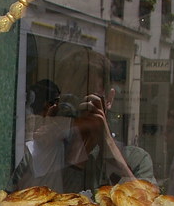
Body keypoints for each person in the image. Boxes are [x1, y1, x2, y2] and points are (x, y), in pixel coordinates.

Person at [58, 49, 155, 192]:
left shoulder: (136, 160)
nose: (78, 107)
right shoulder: (47, 152)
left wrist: (107, 142)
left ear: (108, 99)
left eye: (87, 99)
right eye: (71, 98)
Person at [15, 78, 73, 192]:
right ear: (47, 104)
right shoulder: (38, 126)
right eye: (56, 101)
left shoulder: (52, 125)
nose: (59, 106)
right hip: (34, 193)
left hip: (47, 192)